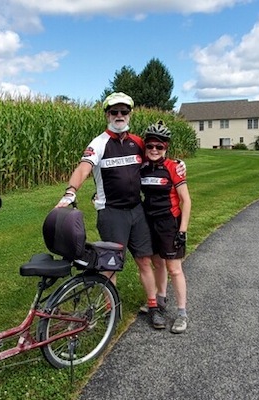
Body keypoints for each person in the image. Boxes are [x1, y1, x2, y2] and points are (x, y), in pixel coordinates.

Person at [55, 92, 167, 329]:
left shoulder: (137, 142)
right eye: (114, 112)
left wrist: (176, 166)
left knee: (144, 260)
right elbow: (84, 168)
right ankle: (111, 309)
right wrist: (70, 191)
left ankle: (154, 306)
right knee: (110, 264)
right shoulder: (99, 143)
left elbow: (157, 158)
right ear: (107, 114)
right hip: (111, 212)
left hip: (137, 210)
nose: (119, 116)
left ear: (129, 114)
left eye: (123, 112)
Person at [140, 121, 191, 333]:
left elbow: (186, 200)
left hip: (169, 223)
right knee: (157, 263)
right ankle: (160, 302)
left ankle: (182, 313)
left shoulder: (173, 168)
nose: (154, 150)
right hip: (148, 221)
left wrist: (182, 231)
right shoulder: (141, 167)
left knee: (174, 268)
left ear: (166, 148)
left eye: (159, 147)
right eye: (150, 146)